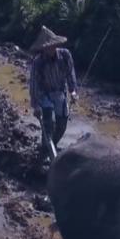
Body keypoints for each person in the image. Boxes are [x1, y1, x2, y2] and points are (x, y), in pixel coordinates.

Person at [28, 26, 77, 155]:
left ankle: (52, 145)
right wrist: (35, 105)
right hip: (45, 94)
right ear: (43, 49)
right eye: (47, 47)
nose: (50, 49)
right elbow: (34, 84)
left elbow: (70, 73)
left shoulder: (65, 55)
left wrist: (73, 91)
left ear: (56, 45)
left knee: (62, 124)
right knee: (48, 125)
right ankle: (46, 150)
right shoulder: (38, 62)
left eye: (52, 46)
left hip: (60, 92)